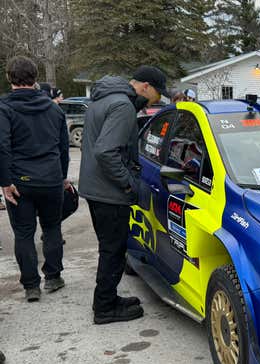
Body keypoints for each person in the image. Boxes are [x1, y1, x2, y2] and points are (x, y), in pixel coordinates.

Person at [78, 65, 169, 324]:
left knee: (110, 247)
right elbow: (106, 152)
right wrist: (129, 184)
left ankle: (107, 298)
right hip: (109, 191)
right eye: (156, 94)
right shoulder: (122, 106)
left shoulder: (106, 97)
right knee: (113, 250)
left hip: (96, 187)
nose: (157, 100)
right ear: (145, 87)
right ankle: (105, 307)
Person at [0, 56, 70, 302]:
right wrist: (62, 177)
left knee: (24, 233)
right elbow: (63, 148)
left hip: (20, 182)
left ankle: (31, 286)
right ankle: (53, 276)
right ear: (35, 78)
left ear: (9, 78)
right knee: (52, 228)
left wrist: (5, 181)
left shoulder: (4, 108)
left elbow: (2, 146)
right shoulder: (53, 108)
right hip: (51, 179)